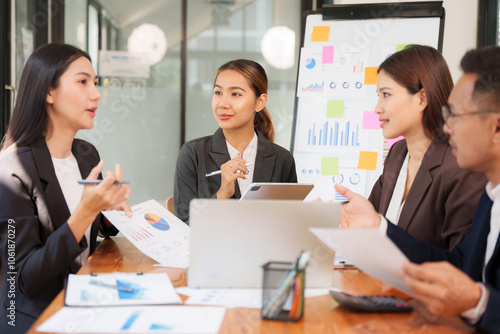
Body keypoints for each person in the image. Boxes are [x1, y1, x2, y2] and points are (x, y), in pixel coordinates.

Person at [335, 46, 500, 334]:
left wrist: (478, 301)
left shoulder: (462, 170)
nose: (448, 128)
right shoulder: (491, 195)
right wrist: (376, 225)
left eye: (457, 115)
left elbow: (465, 281)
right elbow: (460, 262)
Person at [0, 43, 132, 333]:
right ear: (49, 92)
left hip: (85, 299)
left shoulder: (86, 154)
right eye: (83, 81)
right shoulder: (10, 171)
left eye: (95, 83)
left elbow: (89, 234)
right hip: (36, 317)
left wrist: (108, 213)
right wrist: (85, 213)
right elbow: (24, 278)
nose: (96, 93)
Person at [368, 44, 486, 250]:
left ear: (422, 98)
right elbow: (370, 222)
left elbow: (462, 266)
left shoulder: (459, 164)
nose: (377, 108)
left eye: (386, 94)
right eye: (377, 96)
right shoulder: (397, 154)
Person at [174, 59, 297, 223]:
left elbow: (290, 225)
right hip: (211, 248)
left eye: (236, 94)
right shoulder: (193, 154)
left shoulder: (282, 159)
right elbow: (183, 226)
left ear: (259, 102)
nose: (223, 104)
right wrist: (222, 194)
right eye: (218, 93)